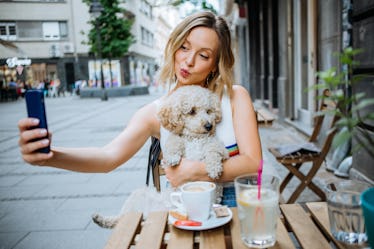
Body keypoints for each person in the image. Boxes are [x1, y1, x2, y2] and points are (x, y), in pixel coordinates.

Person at [17, 11, 262, 207]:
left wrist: (196, 171)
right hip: (183, 208)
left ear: (215, 65)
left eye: (203, 55)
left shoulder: (234, 97)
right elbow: (107, 158)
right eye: (184, 47)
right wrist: (50, 156)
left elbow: (253, 163)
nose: (188, 61)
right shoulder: (157, 112)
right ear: (174, 46)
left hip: (237, 203)